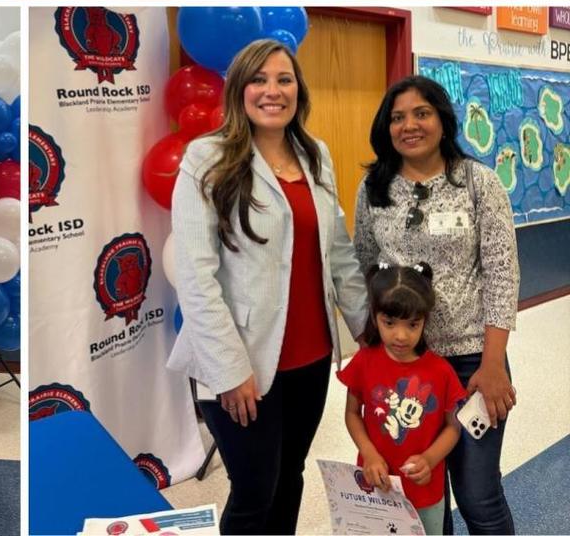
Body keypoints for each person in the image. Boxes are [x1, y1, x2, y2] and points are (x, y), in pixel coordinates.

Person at [167, 38, 368, 535]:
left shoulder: (314, 153)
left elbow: (337, 250)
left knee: (289, 476)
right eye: (258, 79)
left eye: (284, 79)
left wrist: (368, 334)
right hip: (243, 362)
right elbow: (196, 275)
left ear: (299, 89)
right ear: (239, 89)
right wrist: (229, 370)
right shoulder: (206, 158)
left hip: (313, 356)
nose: (272, 91)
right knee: (254, 488)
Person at [354, 76, 519, 535]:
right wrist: (373, 349)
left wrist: (492, 364)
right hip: (404, 368)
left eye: (421, 113)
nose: (409, 125)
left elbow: (502, 273)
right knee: (418, 491)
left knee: (479, 495)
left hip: (471, 363)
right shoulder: (374, 188)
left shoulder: (478, 183)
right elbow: (365, 266)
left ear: (442, 121)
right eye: (397, 117)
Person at [339, 262, 465, 535]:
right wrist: (369, 454)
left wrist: (431, 459)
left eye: (412, 324)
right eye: (389, 322)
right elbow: (352, 413)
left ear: (424, 321)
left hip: (425, 492)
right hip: (377, 486)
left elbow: (453, 426)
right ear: (374, 317)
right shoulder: (364, 361)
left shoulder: (441, 371)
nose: (401, 335)